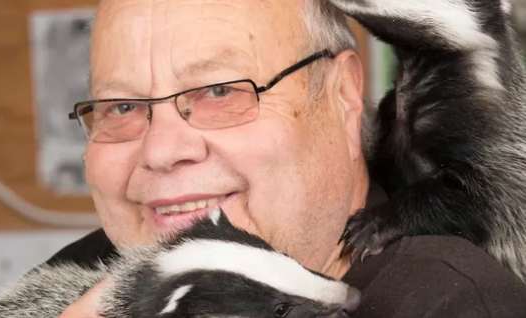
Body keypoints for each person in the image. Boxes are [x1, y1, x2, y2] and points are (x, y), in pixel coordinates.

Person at [48, 0, 526, 317]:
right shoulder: (80, 267)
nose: (162, 152)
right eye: (122, 106)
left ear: (342, 94)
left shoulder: (448, 299)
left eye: (221, 90)